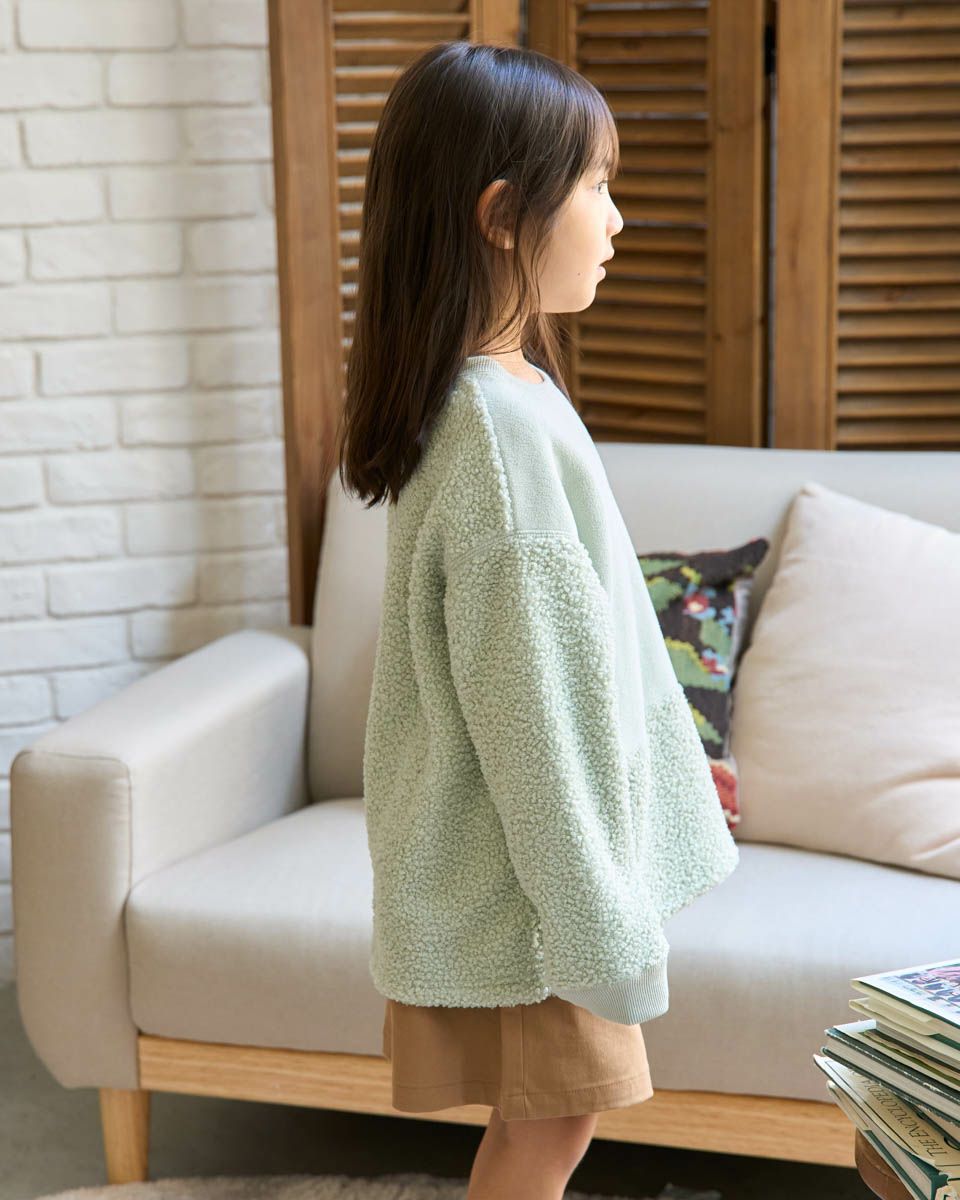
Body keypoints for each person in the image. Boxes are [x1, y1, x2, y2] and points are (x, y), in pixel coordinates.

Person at [335, 41, 740, 1200]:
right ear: (505, 216)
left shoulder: (507, 395)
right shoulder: (497, 435)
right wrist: (594, 919)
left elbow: (588, 654)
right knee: (550, 1132)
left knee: (548, 1129)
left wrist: (668, 763)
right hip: (536, 891)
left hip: (533, 874)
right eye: (598, 185)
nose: (618, 219)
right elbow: (534, 712)